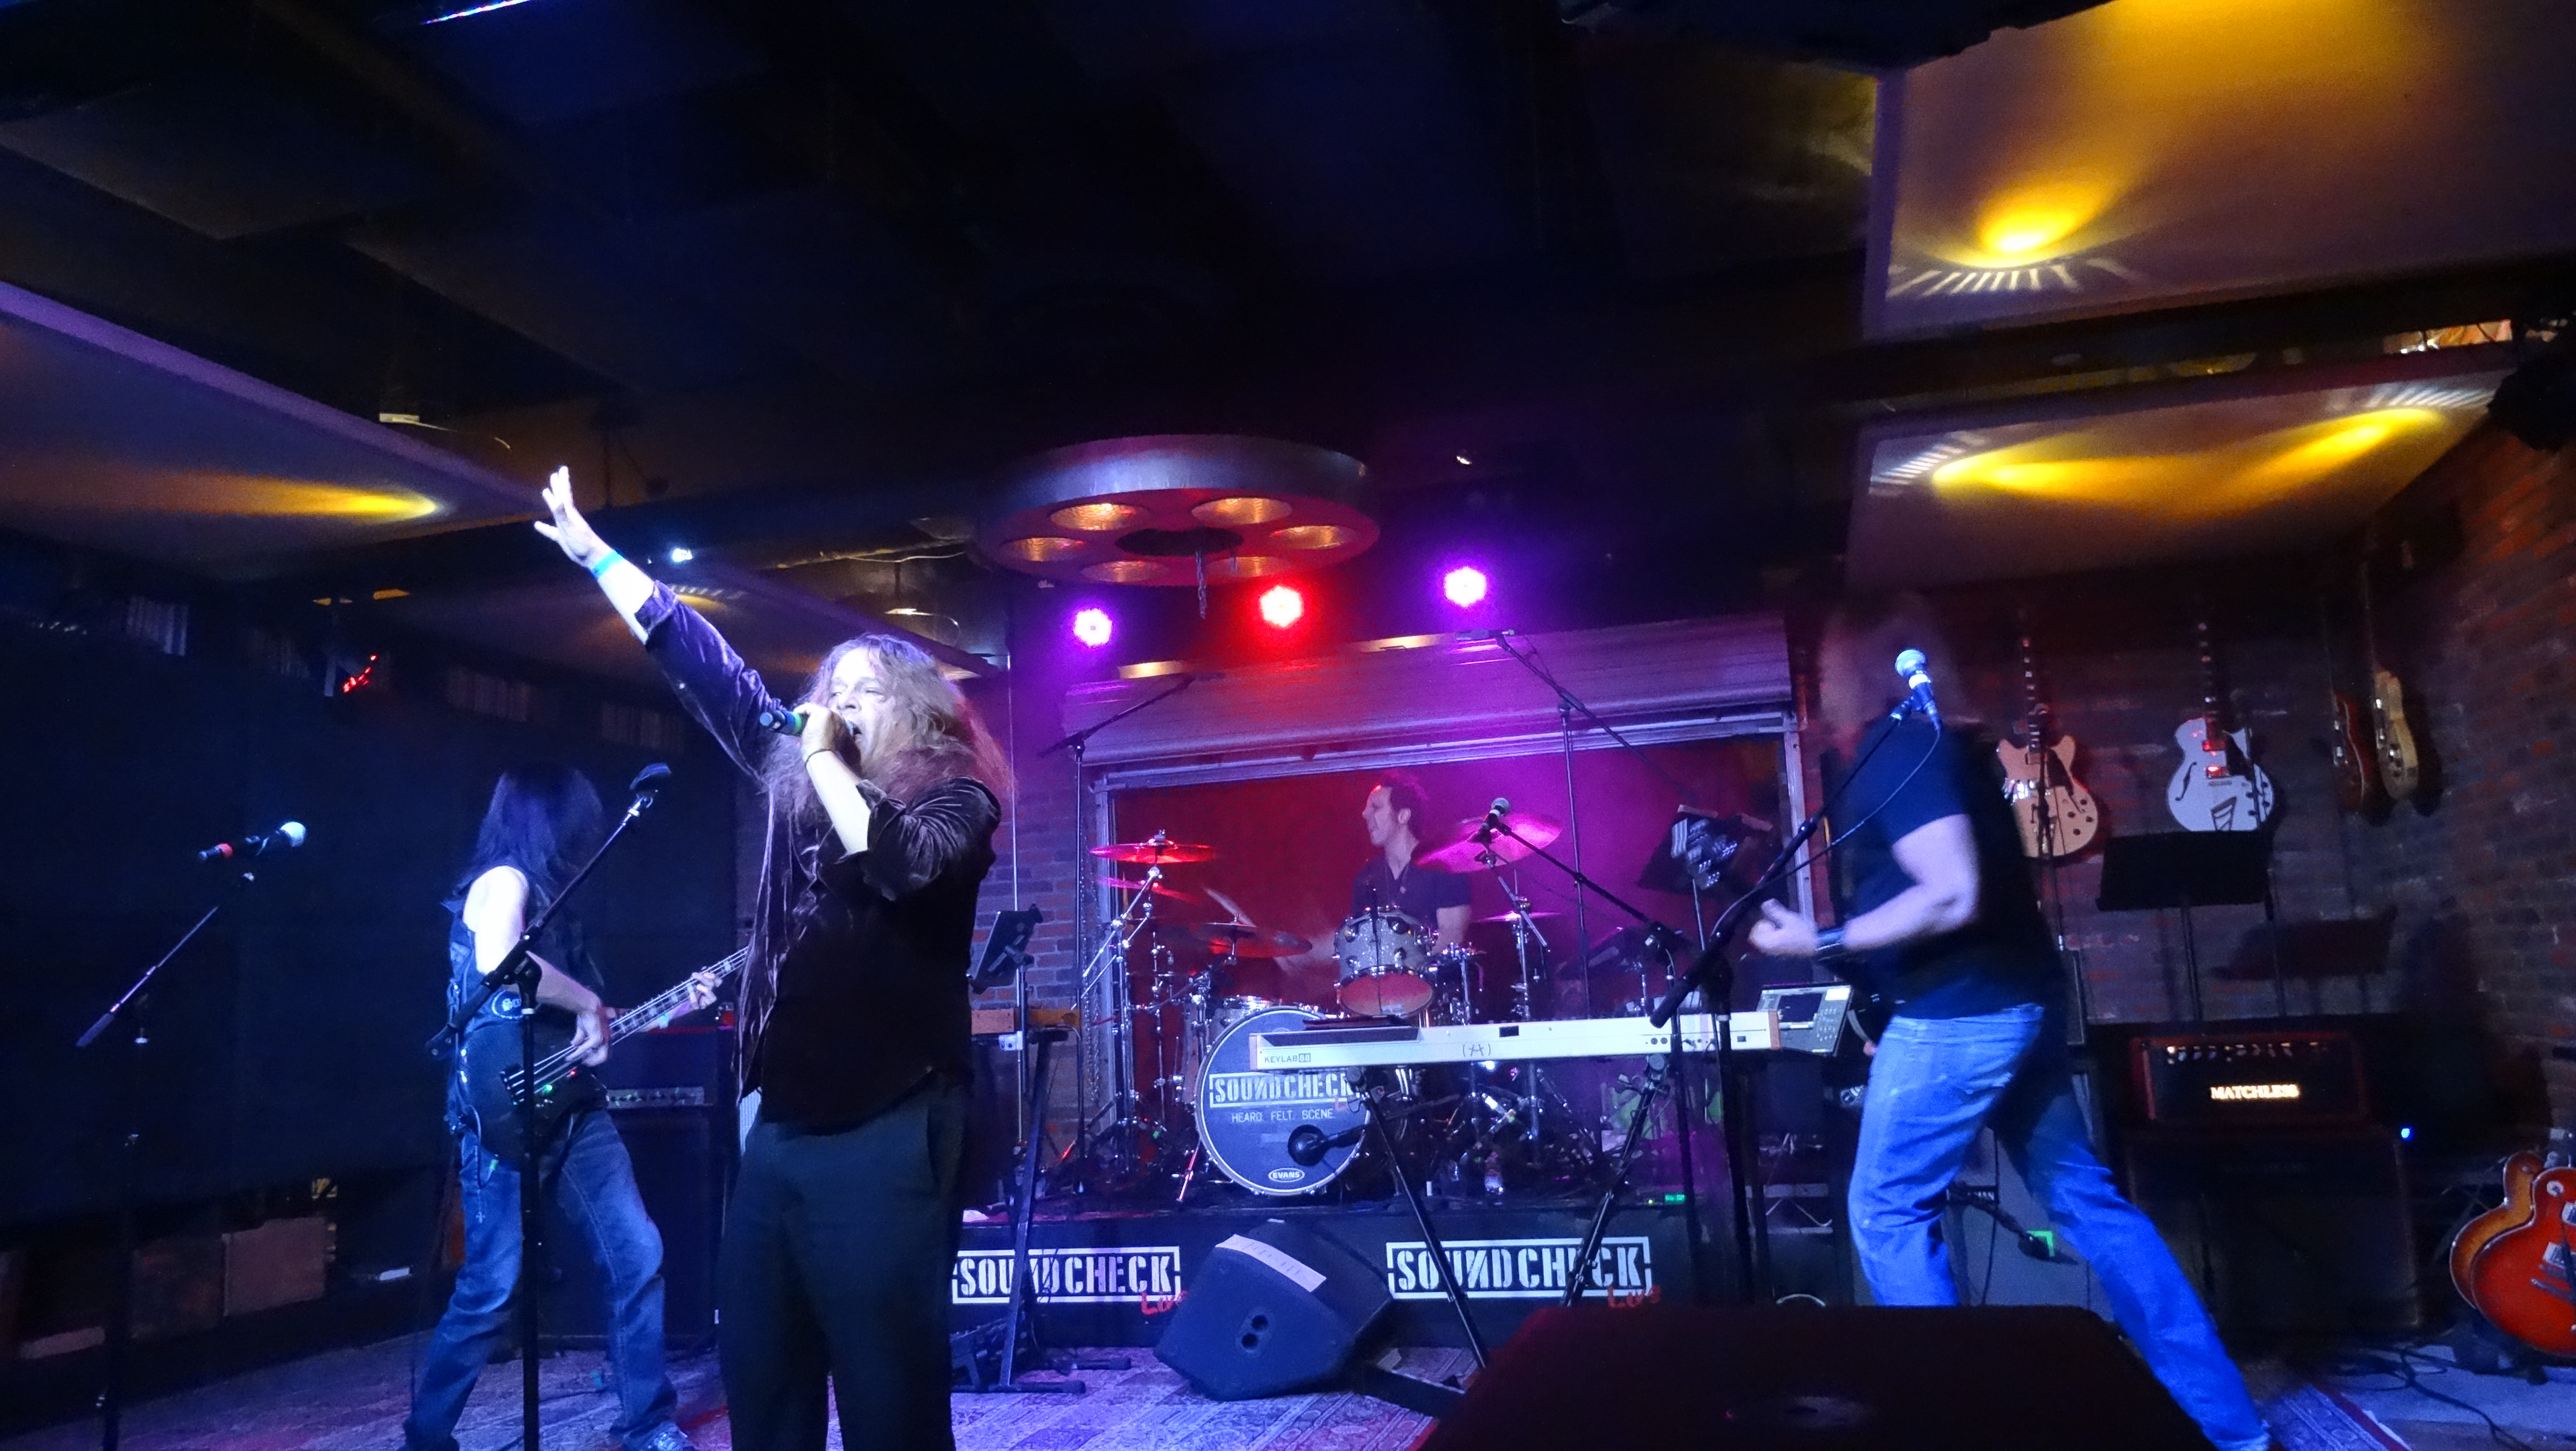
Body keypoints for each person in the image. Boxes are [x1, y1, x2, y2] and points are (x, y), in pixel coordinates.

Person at [536, 468, 1007, 1451]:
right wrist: (598, 555)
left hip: (891, 1124)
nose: (836, 705)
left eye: (864, 693)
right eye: (830, 692)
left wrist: (828, 757)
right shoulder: (799, 780)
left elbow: (897, 866)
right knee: (766, 1378)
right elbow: (709, 670)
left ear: (918, 713)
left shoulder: (956, 798)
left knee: (888, 1396)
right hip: (784, 1128)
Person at [1748, 595, 2274, 1451]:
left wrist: (1823, 940)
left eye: (1824, 666)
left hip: (1960, 1015)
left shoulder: (1896, 750)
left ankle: (1956, 1424)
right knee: (2085, 1202)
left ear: (1849, 669)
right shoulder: (1947, 748)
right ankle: (2230, 1426)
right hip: (2012, 1004)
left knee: (1886, 1211)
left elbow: (1951, 893)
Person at [405, 765, 700, 1451]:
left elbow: (568, 1019)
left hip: (572, 1105)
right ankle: (425, 1437)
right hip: (501, 1115)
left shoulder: (556, 903)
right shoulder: (503, 882)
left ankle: (647, 1422)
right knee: (491, 1287)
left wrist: (632, 1016)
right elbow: (499, 962)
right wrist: (588, 1003)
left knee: (636, 1253)